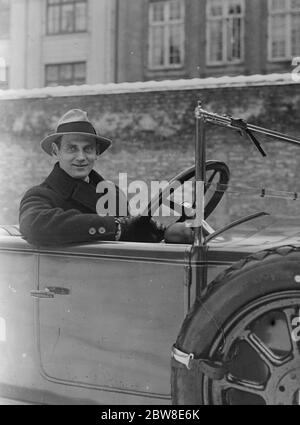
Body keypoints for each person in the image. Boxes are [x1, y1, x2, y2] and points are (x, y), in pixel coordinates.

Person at [19, 109, 165, 246]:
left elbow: (129, 242)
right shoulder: (40, 195)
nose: (81, 157)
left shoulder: (112, 194)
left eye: (88, 149)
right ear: (56, 151)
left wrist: (159, 232)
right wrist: (114, 227)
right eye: (72, 149)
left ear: (97, 153)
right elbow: (34, 225)